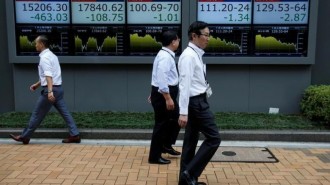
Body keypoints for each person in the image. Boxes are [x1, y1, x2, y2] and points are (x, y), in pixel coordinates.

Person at [10, 35, 81, 145]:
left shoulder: (44, 58)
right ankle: (75, 135)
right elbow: (49, 75)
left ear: (42, 44)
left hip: (51, 90)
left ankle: (25, 137)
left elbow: (49, 76)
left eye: (36, 43)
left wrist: (49, 91)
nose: (35, 45)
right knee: (65, 113)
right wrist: (37, 84)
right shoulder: (52, 55)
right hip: (58, 89)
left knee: (37, 114)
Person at [177, 21, 221, 185]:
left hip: (197, 101)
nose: (208, 38)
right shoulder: (188, 56)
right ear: (194, 36)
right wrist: (183, 112)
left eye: (209, 35)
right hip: (195, 103)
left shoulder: (196, 54)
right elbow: (184, 85)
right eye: (206, 35)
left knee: (190, 141)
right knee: (214, 138)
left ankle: (185, 179)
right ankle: (190, 173)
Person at [148, 30, 182, 165]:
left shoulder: (165, 54)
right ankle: (154, 157)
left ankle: (166, 145)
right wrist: (167, 97)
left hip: (162, 92)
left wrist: (155, 91)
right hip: (164, 94)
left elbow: (157, 75)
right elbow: (161, 77)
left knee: (176, 118)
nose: (179, 42)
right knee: (161, 125)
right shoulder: (165, 57)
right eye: (178, 40)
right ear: (173, 42)